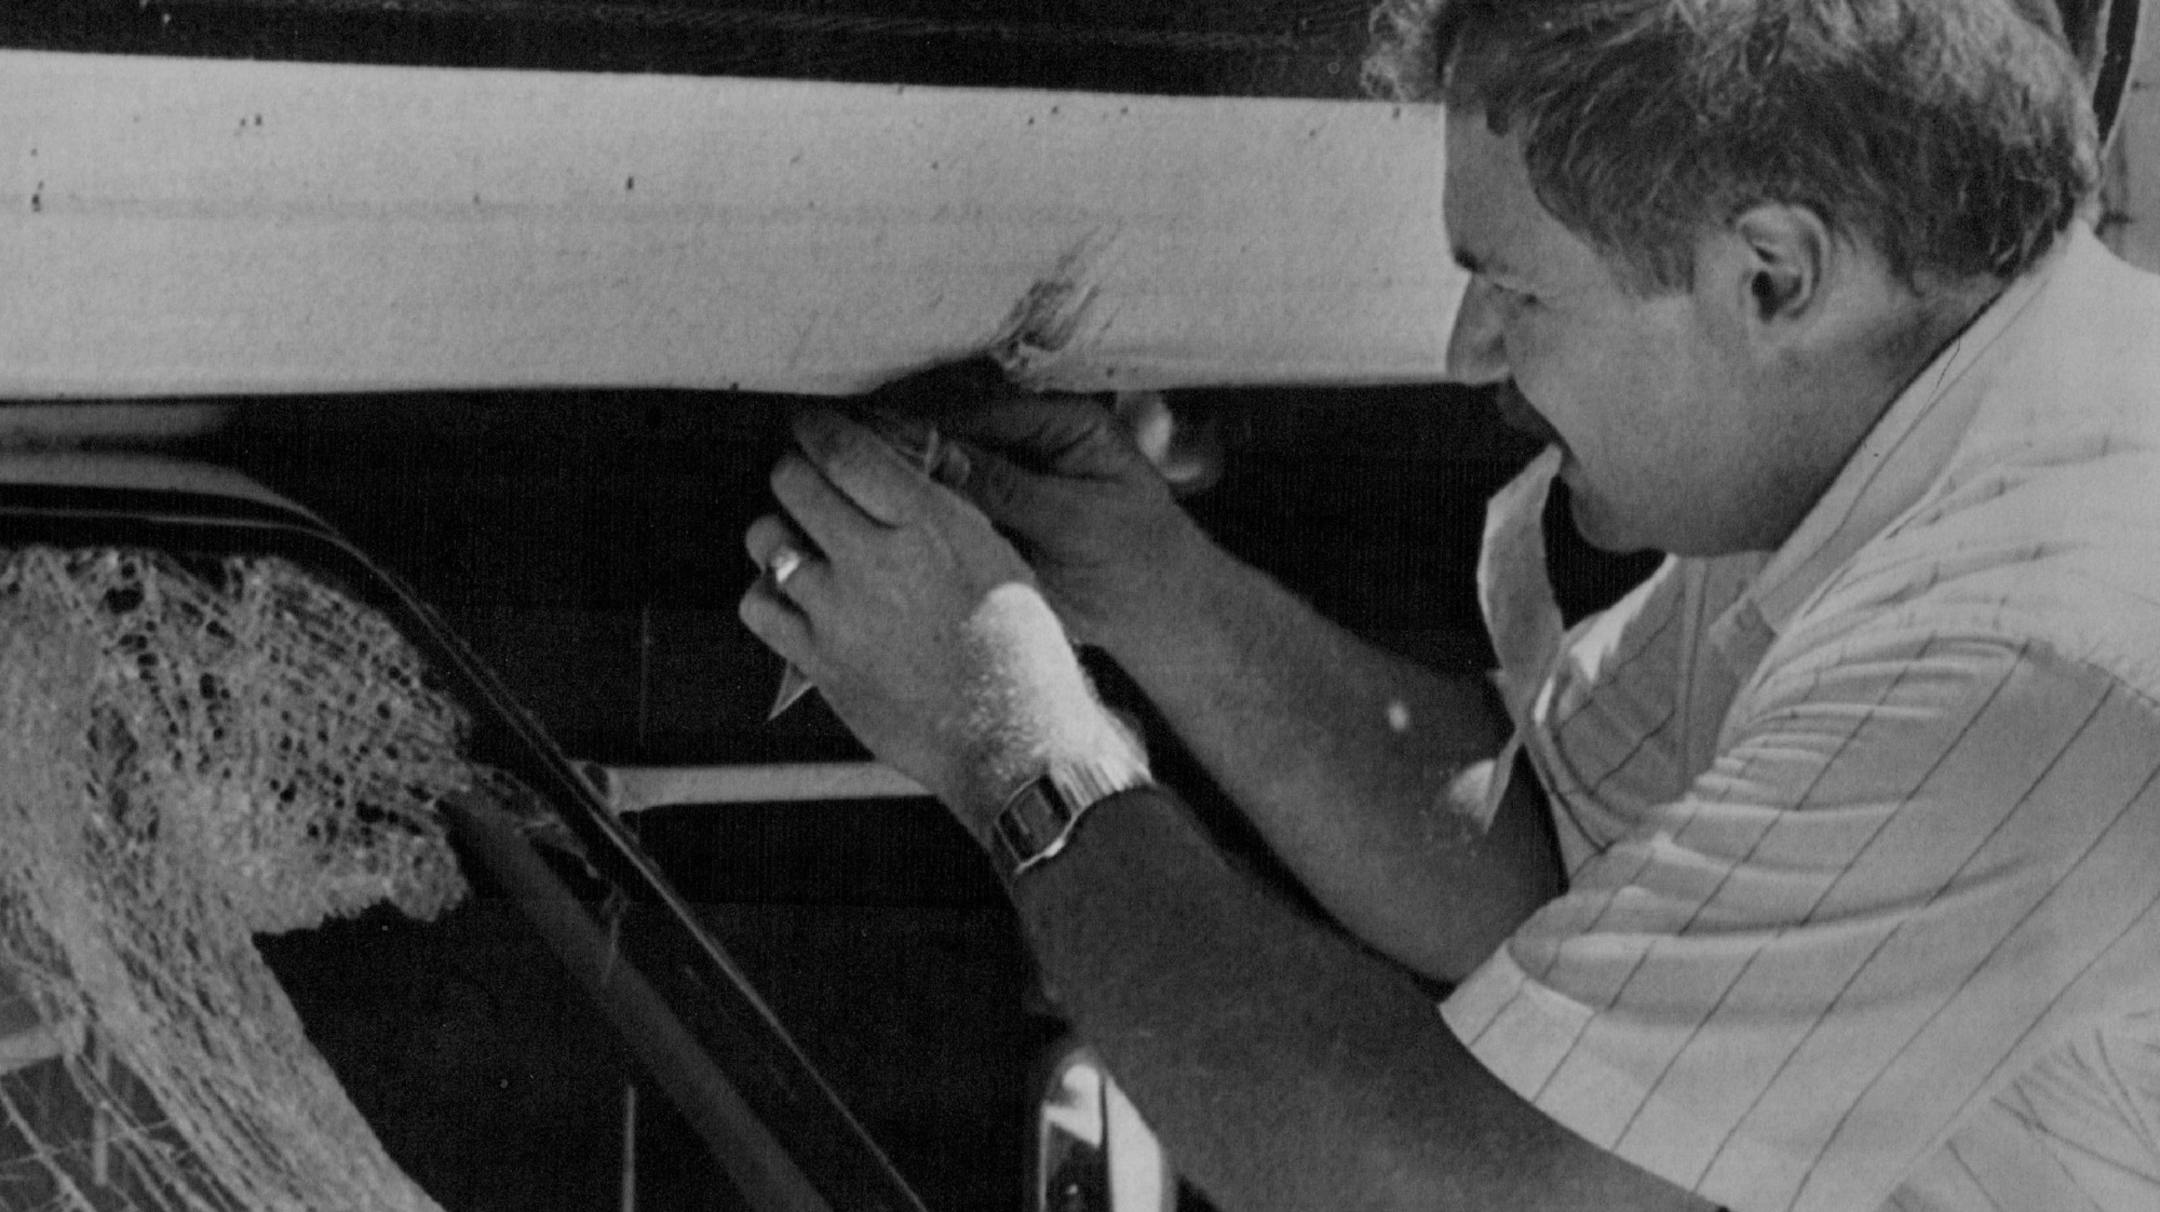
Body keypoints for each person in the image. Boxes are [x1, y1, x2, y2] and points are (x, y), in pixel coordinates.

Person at [738, 1, 2160, 1207]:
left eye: (1514, 290)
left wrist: (1017, 754)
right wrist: (1154, 584)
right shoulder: (1894, 425)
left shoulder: (2026, 643)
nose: (1467, 346)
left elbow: (1439, 1180)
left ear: (1772, 276)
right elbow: (1543, 851)